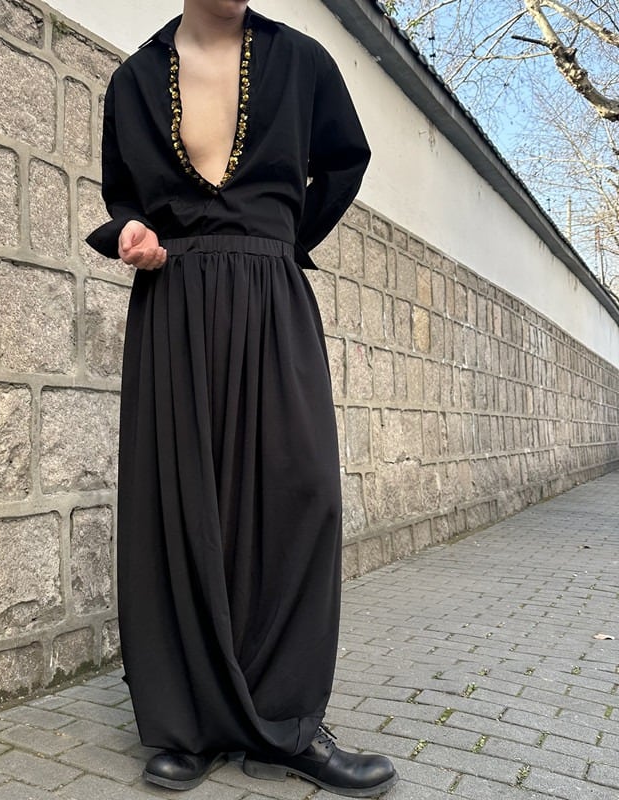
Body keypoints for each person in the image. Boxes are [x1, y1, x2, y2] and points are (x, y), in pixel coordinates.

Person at [86, 1, 397, 796]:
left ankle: (286, 723)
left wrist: (282, 238)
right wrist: (131, 233)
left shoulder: (303, 62)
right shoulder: (133, 81)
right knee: (179, 507)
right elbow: (123, 197)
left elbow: (345, 160)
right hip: (175, 306)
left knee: (303, 493)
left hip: (271, 294)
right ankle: (187, 724)